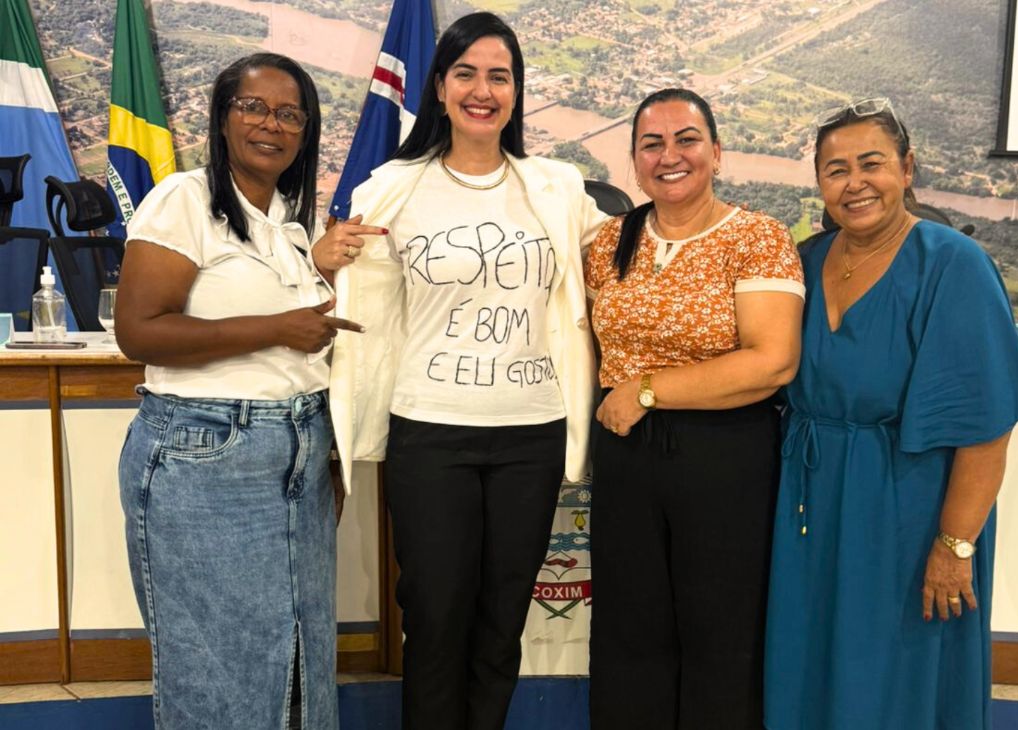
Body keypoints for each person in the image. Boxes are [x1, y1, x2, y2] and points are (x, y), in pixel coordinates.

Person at [318, 12, 607, 730]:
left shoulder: (557, 188)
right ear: (440, 87)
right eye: (467, 73)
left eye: (500, 76)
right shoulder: (392, 187)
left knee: (501, 621)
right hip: (430, 434)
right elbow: (356, 304)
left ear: (516, 93)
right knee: (437, 618)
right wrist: (318, 262)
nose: (483, 90)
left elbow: (615, 271)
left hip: (531, 433)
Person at [763, 98, 1018, 730]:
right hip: (810, 502)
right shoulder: (805, 262)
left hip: (909, 508)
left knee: (899, 670)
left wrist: (954, 546)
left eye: (872, 163)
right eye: (836, 170)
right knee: (810, 652)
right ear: (819, 184)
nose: (854, 183)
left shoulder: (953, 265)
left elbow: (984, 432)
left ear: (907, 168)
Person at [115, 53, 376, 729]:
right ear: (222, 117)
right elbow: (139, 331)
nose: (272, 124)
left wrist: (324, 449)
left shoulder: (289, 224)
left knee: (297, 657)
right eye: (254, 107)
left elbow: (303, 335)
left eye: (290, 113)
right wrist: (276, 329)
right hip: (207, 455)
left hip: (297, 454)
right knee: (220, 668)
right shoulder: (184, 199)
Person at [585, 88, 805, 730]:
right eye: (652, 144)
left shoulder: (757, 238)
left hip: (725, 457)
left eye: (687, 139)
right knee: (629, 629)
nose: (670, 156)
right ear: (634, 161)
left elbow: (773, 362)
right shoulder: (608, 243)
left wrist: (648, 389)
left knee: (721, 632)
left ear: (717, 151)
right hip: (627, 458)